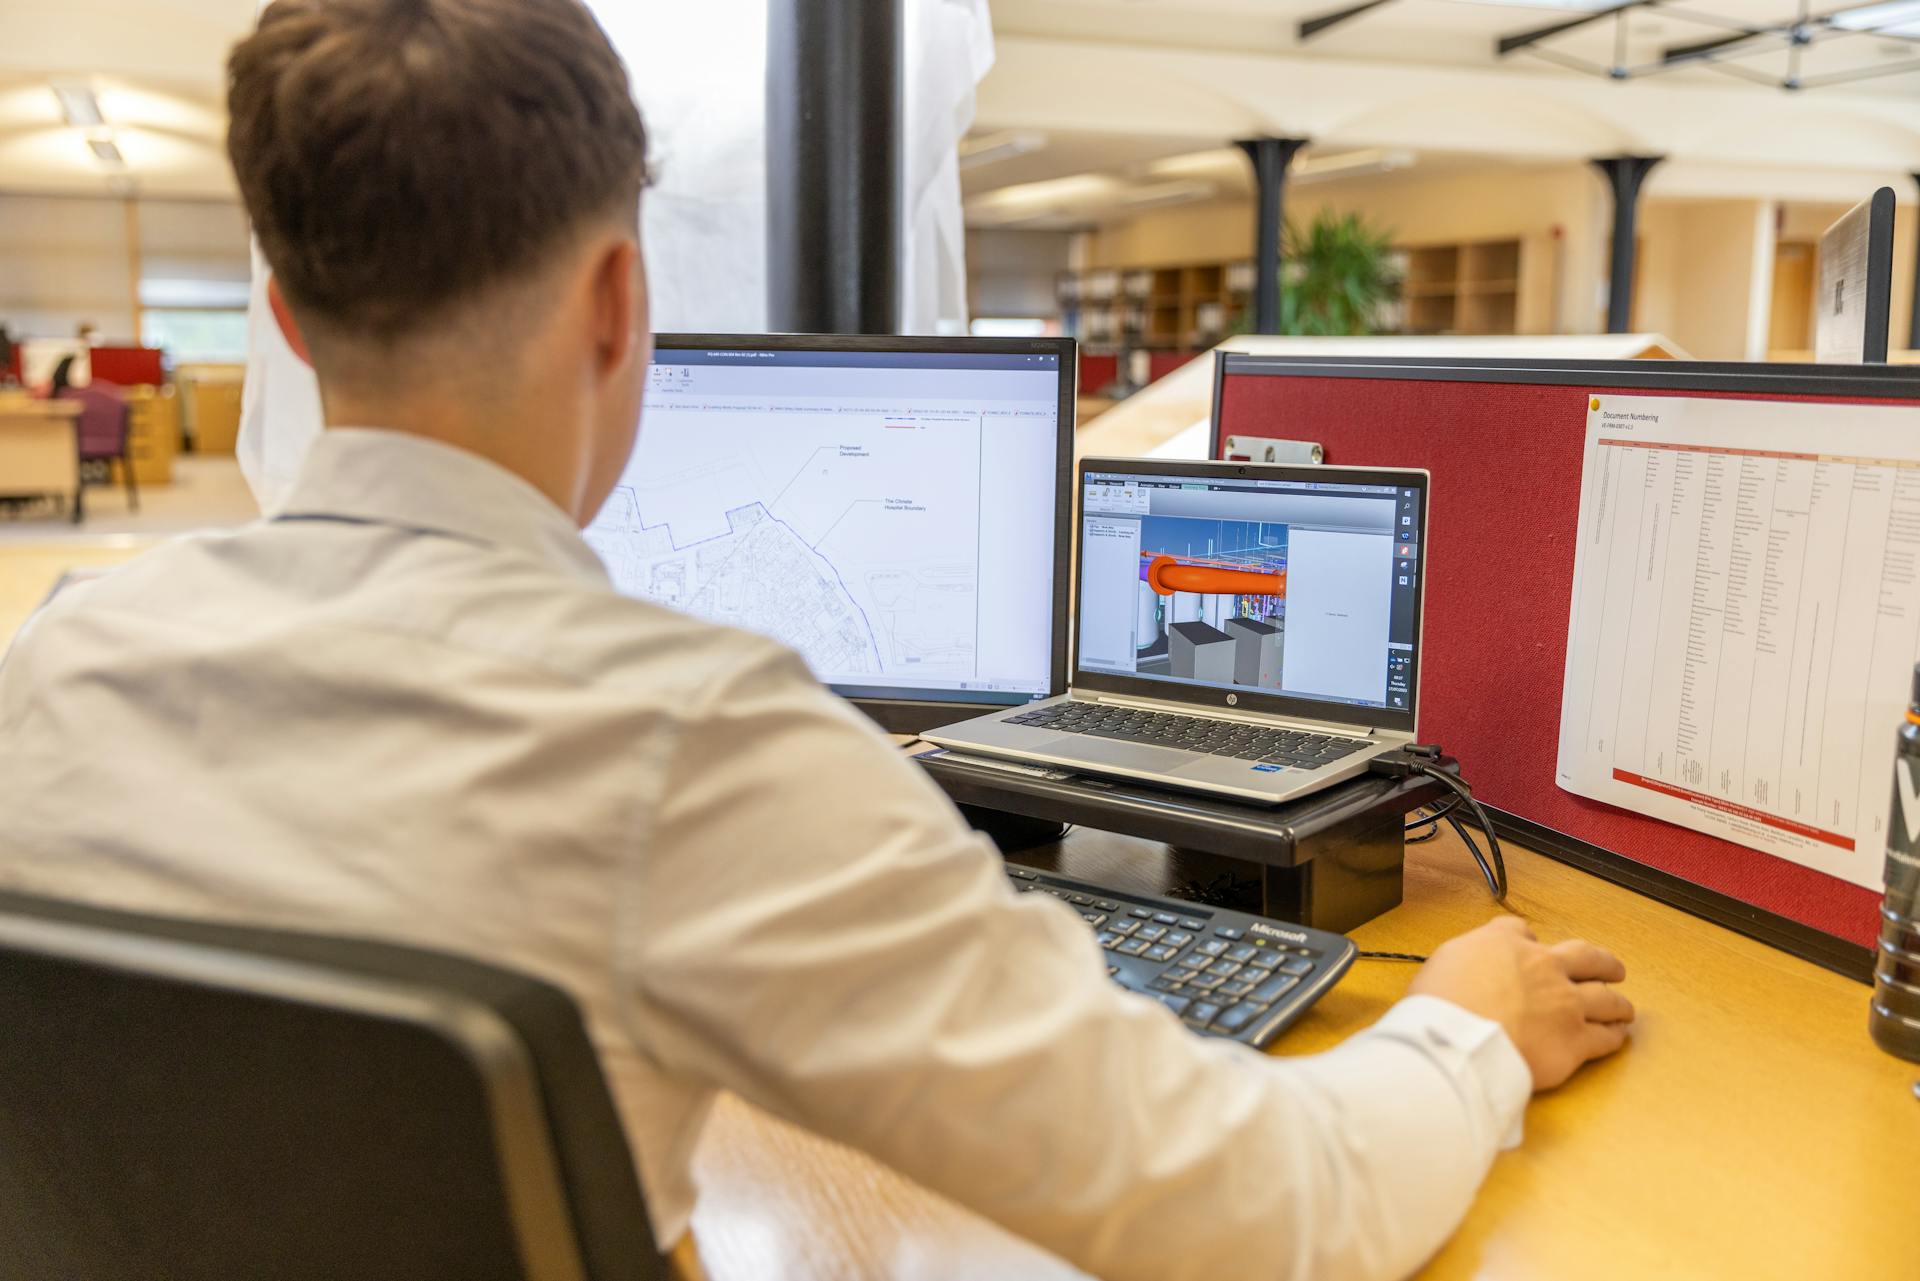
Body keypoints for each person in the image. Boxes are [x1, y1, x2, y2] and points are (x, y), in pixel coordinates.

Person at [0, 2, 1634, 1278]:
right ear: (616, 302)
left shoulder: (54, 668)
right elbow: (1276, 1213)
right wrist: (1467, 1029)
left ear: (280, 315)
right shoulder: (689, 741)